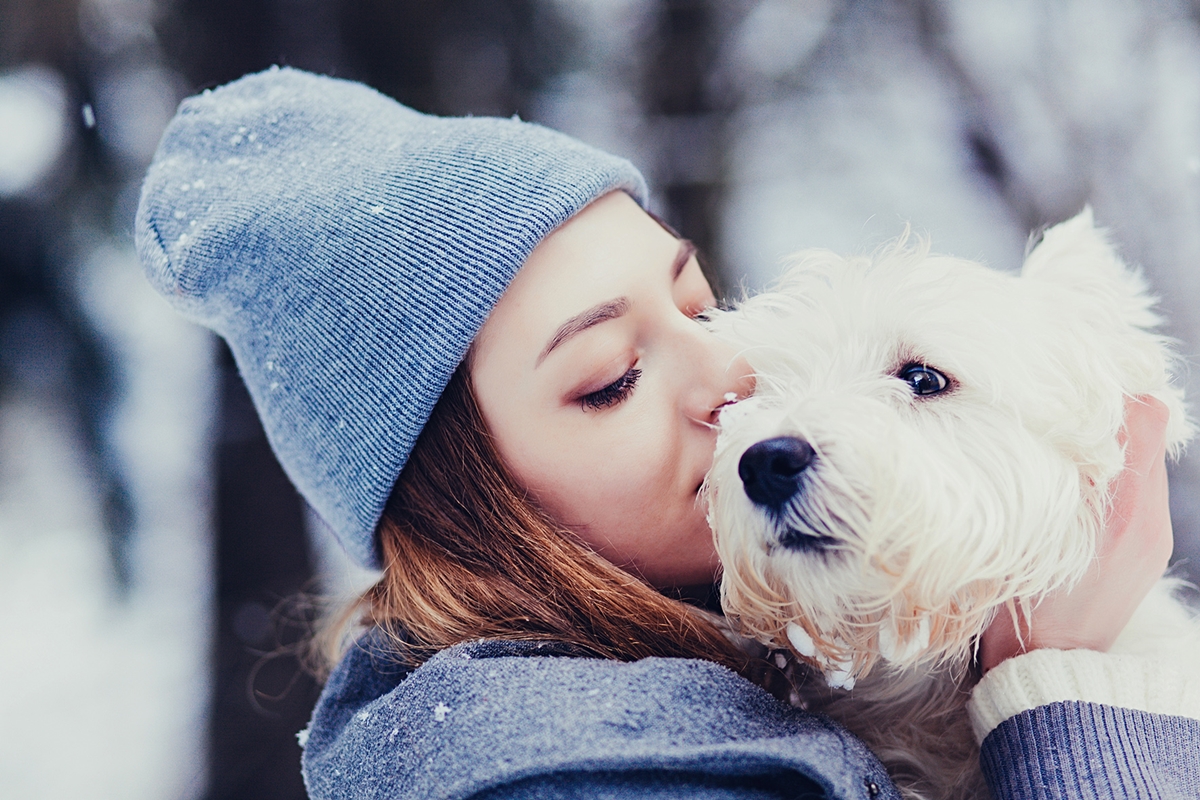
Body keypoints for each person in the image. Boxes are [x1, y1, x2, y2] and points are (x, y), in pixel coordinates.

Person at [136, 68, 1199, 799]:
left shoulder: (764, 688)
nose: (731, 386)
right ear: (465, 508)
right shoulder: (562, 770)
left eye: (699, 307)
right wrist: (1064, 698)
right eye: (610, 379)